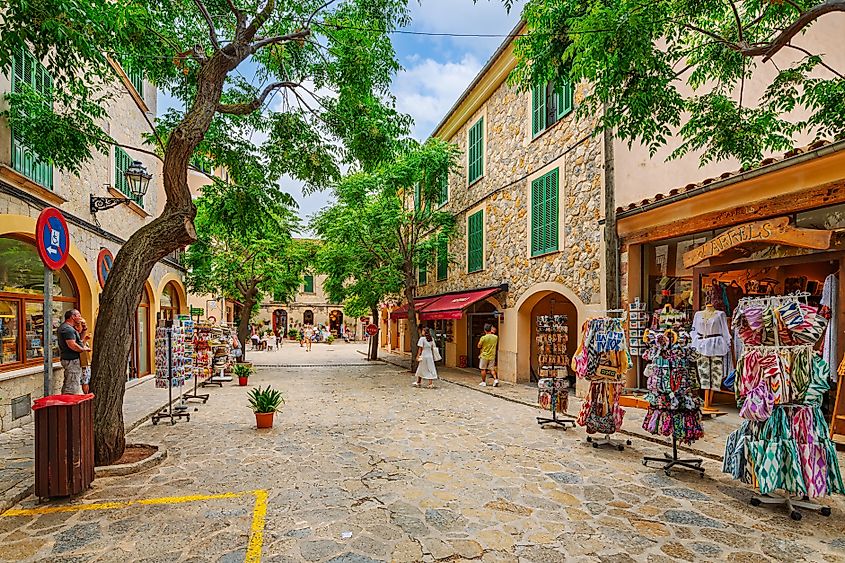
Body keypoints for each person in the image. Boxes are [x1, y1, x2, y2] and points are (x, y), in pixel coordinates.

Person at [57, 309, 90, 394]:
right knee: (72, 385)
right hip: (71, 360)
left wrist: (84, 328)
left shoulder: (69, 328)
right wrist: (83, 349)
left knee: (71, 383)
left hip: (71, 359)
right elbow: (72, 345)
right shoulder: (67, 329)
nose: (80, 317)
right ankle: (70, 403)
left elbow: (79, 341)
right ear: (73, 317)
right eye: (78, 315)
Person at [477, 323, 499, 387]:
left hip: (484, 355)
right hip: (492, 355)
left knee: (483, 369)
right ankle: (495, 380)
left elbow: (479, 346)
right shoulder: (495, 337)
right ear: (490, 329)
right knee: (492, 369)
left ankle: (484, 382)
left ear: (485, 330)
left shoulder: (483, 338)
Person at [78, 317, 92, 393]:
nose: (85, 328)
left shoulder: (82, 335)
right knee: (85, 380)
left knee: (87, 379)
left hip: (86, 361)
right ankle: (86, 395)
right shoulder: (76, 335)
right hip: (82, 362)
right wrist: (85, 340)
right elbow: (80, 347)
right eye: (83, 325)